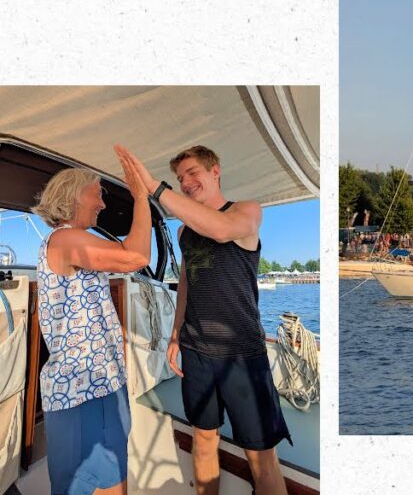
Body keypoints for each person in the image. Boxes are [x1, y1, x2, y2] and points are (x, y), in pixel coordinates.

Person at [116, 145, 290, 494]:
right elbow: (186, 285)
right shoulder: (183, 234)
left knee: (261, 458)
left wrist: (155, 187)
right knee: (204, 440)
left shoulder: (246, 212)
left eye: (192, 172)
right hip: (196, 351)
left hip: (242, 354)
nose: (185, 182)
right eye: (180, 178)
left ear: (215, 171)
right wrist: (176, 332)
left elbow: (223, 230)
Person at [31, 151, 151, 495]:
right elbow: (136, 256)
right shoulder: (65, 239)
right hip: (87, 391)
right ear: (74, 195)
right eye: (97, 192)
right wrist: (141, 196)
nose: (102, 204)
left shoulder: (64, 241)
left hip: (89, 390)